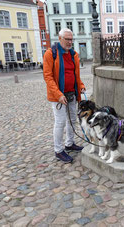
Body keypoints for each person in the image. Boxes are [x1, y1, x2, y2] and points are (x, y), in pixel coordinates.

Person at [43, 28, 86, 163]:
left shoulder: (73, 54)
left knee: (72, 120)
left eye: (71, 39)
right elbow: (48, 77)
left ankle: (69, 143)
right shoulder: (51, 54)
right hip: (58, 95)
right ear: (60, 39)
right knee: (60, 122)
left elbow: (75, 75)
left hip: (71, 93)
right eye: (67, 39)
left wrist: (81, 85)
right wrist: (58, 94)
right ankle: (58, 150)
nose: (70, 42)